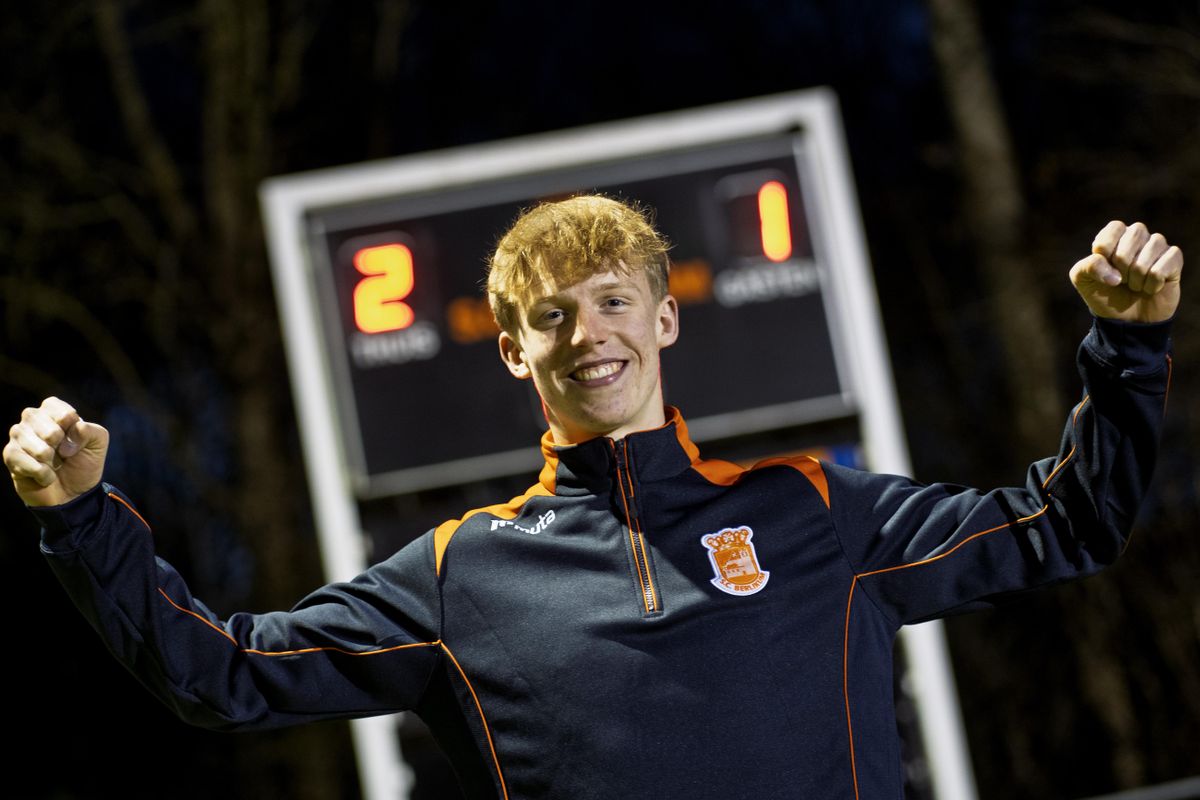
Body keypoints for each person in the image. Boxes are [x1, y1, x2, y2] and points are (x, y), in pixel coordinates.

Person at [4, 196, 1183, 799]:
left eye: (614, 299)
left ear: (664, 319)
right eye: (552, 315)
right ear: (515, 353)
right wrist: (82, 516)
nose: (590, 333)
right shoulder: (460, 572)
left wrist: (1126, 350)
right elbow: (224, 673)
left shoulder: (818, 507)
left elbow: (1069, 520)